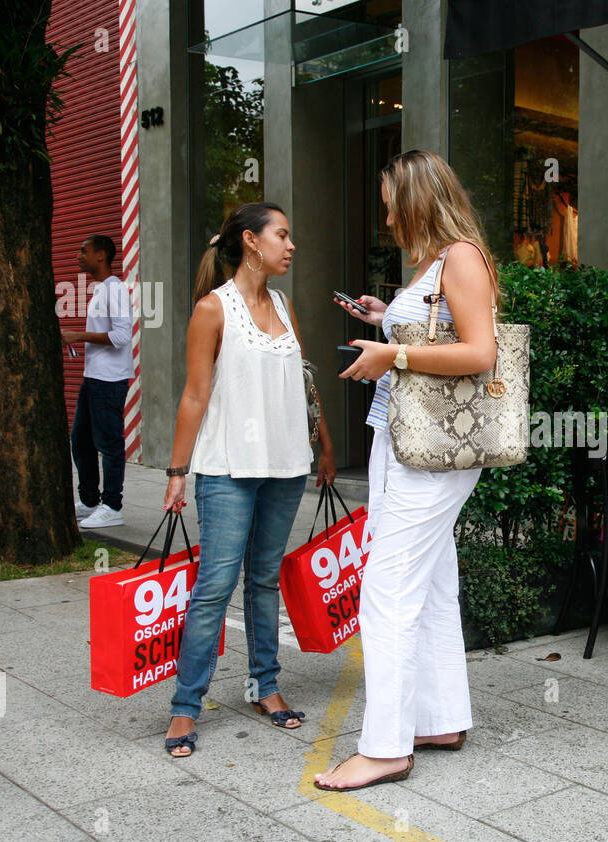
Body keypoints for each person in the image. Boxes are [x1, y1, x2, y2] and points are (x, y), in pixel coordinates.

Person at [314, 149, 498, 791]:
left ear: (418, 196)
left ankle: (386, 746)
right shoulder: (434, 263)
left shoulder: (461, 256)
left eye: (390, 194)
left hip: (432, 451)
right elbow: (438, 336)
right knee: (434, 581)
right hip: (405, 444)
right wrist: (384, 320)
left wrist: (392, 352)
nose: (385, 208)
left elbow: (480, 352)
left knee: (386, 589)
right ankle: (441, 718)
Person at [160, 201, 336, 758]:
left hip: (286, 466)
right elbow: (195, 394)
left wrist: (324, 443)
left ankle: (265, 685)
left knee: (263, 581)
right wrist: (176, 472)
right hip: (228, 467)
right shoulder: (213, 309)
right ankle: (185, 708)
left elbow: (304, 381)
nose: (291, 245)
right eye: (282, 235)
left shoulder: (283, 305)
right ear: (250, 241)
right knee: (213, 588)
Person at [63, 234, 132, 529]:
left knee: (109, 443)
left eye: (84, 251)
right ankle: (90, 500)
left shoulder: (114, 290)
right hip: (93, 377)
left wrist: (78, 335)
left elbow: (121, 336)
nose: (79, 256)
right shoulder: (100, 290)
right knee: (80, 441)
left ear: (101, 256)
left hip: (109, 380)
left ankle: (112, 506)